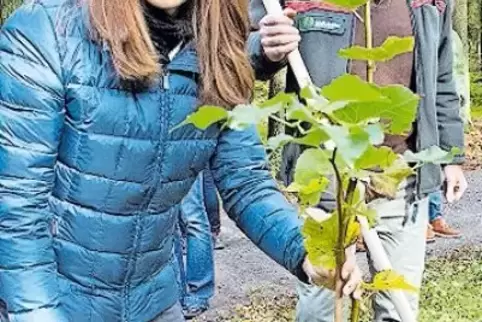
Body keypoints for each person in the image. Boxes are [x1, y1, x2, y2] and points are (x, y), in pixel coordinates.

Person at [0, 0, 362, 320]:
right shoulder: (48, 32)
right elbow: (16, 209)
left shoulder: (216, 50)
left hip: (154, 299)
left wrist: (307, 252)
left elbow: (246, 183)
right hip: (55, 300)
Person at [249, 0, 468, 321]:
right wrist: (266, 48)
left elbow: (442, 76)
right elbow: (241, 47)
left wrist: (451, 156)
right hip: (328, 179)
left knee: (399, 306)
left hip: (404, 178)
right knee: (321, 307)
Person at [175, 171, 218, 319]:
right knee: (170, 222)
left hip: (184, 151)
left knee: (193, 217)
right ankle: (177, 294)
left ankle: (199, 293)